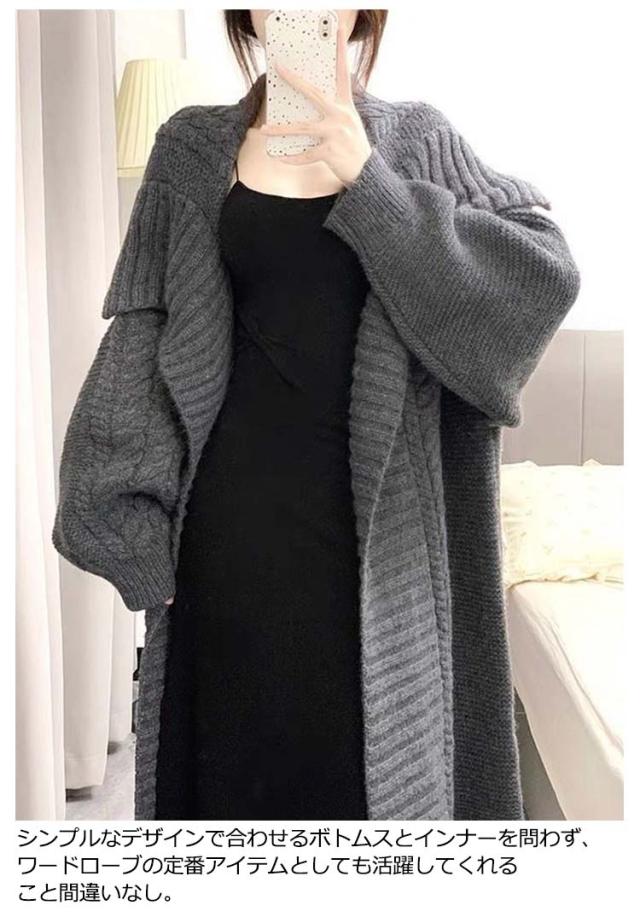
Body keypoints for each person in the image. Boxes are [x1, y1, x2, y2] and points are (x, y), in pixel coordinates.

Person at [52, 9, 581, 821]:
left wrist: (370, 184)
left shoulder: (415, 140)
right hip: (223, 552)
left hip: (374, 560)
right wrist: (131, 536)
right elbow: (140, 341)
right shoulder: (190, 147)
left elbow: (537, 283)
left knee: (366, 799)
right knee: (228, 803)